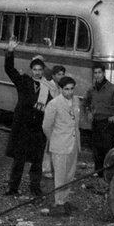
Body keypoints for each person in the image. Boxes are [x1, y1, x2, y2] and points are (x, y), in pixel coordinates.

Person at [4, 39, 54, 196]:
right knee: (19, 159)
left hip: (38, 128)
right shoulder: (23, 81)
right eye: (35, 69)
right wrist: (10, 51)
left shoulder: (48, 87)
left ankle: (35, 187)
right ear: (31, 70)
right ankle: (13, 187)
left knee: (37, 161)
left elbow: (51, 106)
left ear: (43, 70)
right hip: (23, 126)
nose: (37, 72)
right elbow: (9, 69)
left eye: (40, 70)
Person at [42, 76, 81, 216]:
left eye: (72, 89)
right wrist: (54, 139)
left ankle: (65, 200)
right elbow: (46, 126)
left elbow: (76, 123)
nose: (69, 92)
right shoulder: (53, 104)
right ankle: (58, 203)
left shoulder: (76, 101)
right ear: (60, 89)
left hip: (73, 145)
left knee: (69, 175)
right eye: (66, 89)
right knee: (60, 176)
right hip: (60, 145)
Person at [83, 62, 114, 180]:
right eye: (95, 73)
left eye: (99, 72)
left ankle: (108, 173)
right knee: (96, 148)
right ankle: (98, 171)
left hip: (108, 123)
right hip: (96, 122)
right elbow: (85, 102)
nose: (97, 75)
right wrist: (89, 112)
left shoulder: (113, 89)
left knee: (107, 149)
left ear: (104, 73)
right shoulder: (91, 89)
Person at [42, 65, 67, 176]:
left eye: (63, 74)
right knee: (48, 144)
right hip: (50, 118)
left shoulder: (61, 88)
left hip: (59, 120)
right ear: (53, 75)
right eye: (59, 74)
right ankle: (46, 168)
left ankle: (54, 168)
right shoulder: (48, 86)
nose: (61, 77)